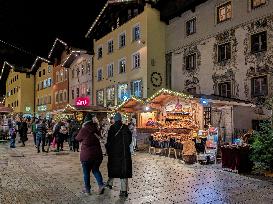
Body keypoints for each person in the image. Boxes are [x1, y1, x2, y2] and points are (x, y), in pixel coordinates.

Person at [76, 113, 105, 195]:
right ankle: (101, 185)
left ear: (85, 121)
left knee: (86, 173)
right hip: (97, 155)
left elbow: (77, 138)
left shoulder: (84, 129)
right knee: (95, 170)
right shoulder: (96, 128)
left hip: (87, 156)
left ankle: (87, 189)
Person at [105, 112, 132, 198]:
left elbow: (109, 142)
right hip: (124, 153)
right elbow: (129, 141)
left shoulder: (112, 128)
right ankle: (123, 191)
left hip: (114, 154)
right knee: (123, 171)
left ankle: (109, 184)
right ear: (121, 119)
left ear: (115, 119)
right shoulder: (125, 127)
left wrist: (108, 150)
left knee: (113, 168)